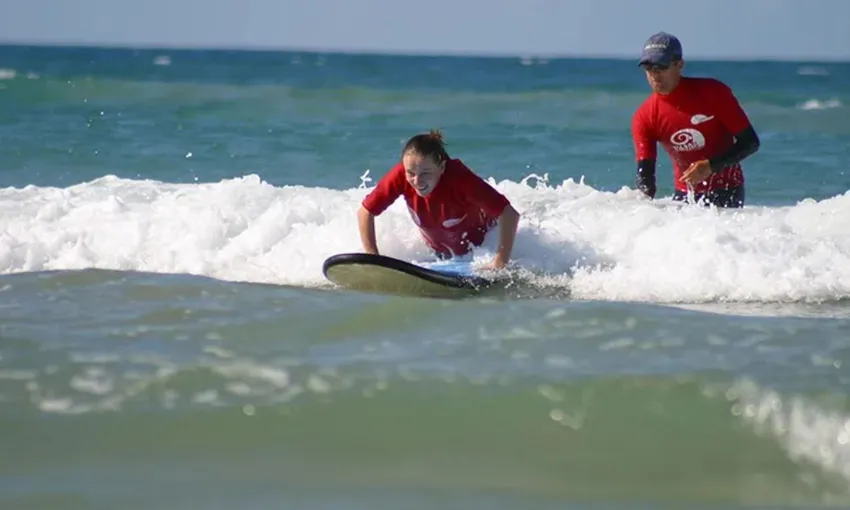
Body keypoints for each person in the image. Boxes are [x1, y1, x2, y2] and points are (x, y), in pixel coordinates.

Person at [631, 32, 760, 208]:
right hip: (684, 195)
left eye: (661, 66)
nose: (654, 74)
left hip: (727, 191)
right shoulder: (644, 116)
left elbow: (750, 142)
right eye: (648, 67)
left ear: (679, 64)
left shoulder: (714, 93)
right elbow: (645, 178)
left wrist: (710, 166)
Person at [358, 130, 520, 269]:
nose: (417, 180)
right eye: (411, 173)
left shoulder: (460, 179)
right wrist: (373, 258)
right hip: (438, 254)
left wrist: (500, 261)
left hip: (481, 248)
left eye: (426, 173)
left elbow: (509, 214)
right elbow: (365, 212)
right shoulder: (401, 175)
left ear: (441, 167)